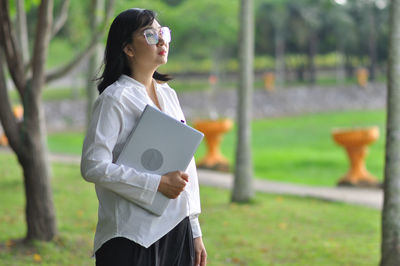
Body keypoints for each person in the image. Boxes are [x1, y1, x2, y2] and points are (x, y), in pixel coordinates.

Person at [80, 8, 207, 266]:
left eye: (163, 33)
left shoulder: (168, 94)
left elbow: (186, 165)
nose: (162, 40)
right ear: (128, 48)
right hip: (131, 236)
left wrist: (195, 230)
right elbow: (92, 166)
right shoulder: (114, 99)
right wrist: (157, 183)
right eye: (150, 35)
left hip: (177, 230)